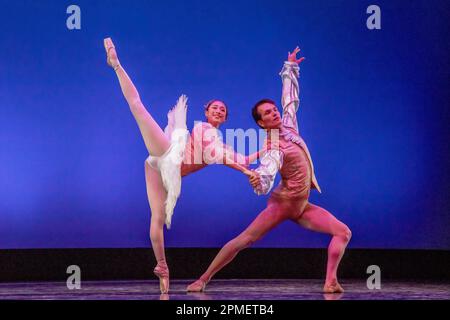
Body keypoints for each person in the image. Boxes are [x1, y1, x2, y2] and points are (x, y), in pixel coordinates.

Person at [186, 47, 352, 294]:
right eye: (267, 113)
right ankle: (203, 278)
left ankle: (330, 282)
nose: (274, 113)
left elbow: (290, 101)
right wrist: (259, 180)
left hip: (302, 206)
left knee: (342, 232)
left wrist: (290, 68)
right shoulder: (273, 144)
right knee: (245, 240)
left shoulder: (289, 126)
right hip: (284, 204)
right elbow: (269, 169)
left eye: (273, 110)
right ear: (261, 123)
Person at [103, 38, 261, 293]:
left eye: (223, 110)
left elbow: (238, 158)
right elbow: (219, 157)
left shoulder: (219, 140)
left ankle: (162, 267)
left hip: (160, 171)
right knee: (137, 107)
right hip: (165, 155)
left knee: (157, 217)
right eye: (215, 108)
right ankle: (116, 65)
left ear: (225, 117)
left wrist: (268, 147)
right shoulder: (201, 128)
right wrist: (246, 172)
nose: (219, 111)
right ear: (207, 112)